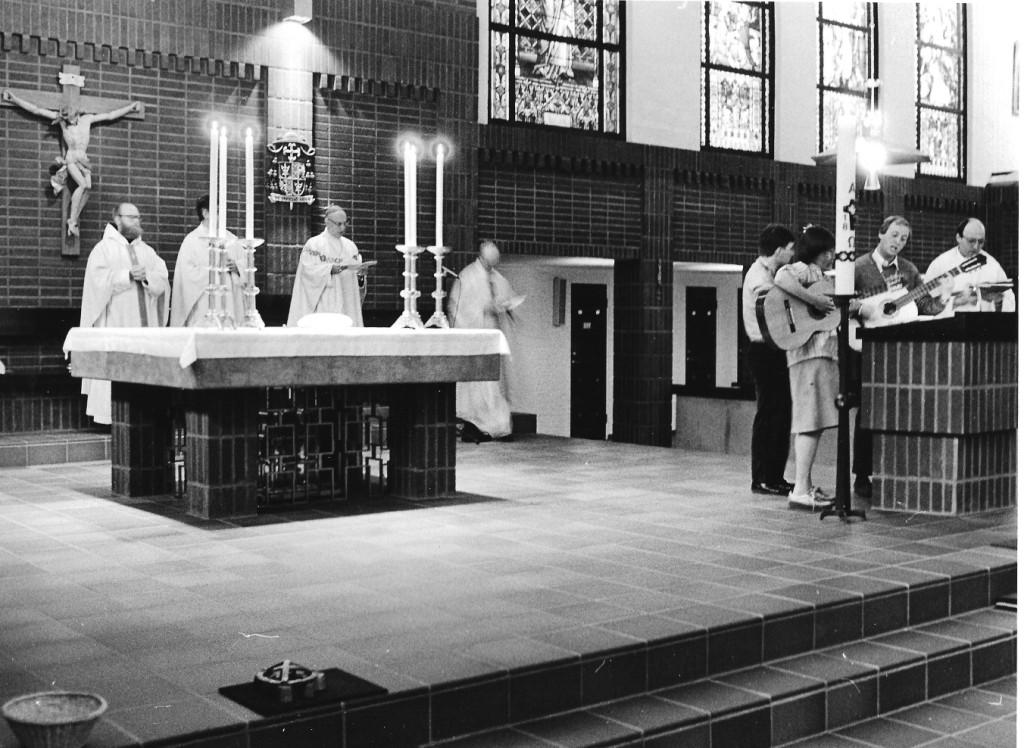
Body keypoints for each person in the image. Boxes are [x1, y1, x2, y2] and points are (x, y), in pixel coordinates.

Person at [850, 216, 948, 499]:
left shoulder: (908, 270)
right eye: (894, 235)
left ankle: (894, 471)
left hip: (901, 350)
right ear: (880, 235)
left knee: (901, 407)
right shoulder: (858, 268)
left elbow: (923, 305)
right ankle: (862, 474)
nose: (898, 242)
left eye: (904, 239)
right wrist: (861, 309)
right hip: (869, 350)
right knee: (868, 411)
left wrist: (945, 299)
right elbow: (841, 303)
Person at [2, 89, 141, 237]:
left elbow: (109, 115)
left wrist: (130, 108)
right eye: (66, 117)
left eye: (71, 116)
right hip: (71, 159)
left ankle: (73, 218)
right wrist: (14, 99)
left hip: (83, 160)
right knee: (82, 185)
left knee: (88, 188)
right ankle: (72, 221)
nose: (69, 120)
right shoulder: (62, 122)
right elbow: (37, 110)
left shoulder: (87, 119)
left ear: (77, 113)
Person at [79, 202, 169, 424]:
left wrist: (147, 277)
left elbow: (163, 281)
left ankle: (144, 417)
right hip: (116, 322)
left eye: (138, 217)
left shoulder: (148, 252)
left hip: (144, 326)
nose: (137, 222)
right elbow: (96, 283)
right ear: (117, 219)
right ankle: (113, 419)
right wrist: (126, 275)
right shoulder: (103, 249)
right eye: (131, 217)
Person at [772, 225, 839, 510]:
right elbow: (781, 276)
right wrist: (815, 301)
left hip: (820, 356)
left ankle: (806, 484)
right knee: (809, 421)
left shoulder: (821, 277)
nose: (831, 256)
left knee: (813, 420)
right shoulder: (801, 269)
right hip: (809, 355)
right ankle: (800, 489)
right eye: (826, 251)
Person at [447, 240, 521, 442]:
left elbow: (508, 298)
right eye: (489, 263)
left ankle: (499, 426)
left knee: (496, 385)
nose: (492, 267)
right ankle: (478, 426)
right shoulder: (467, 277)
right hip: (477, 339)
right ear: (482, 258)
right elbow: (457, 308)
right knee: (479, 388)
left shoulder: (498, 278)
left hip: (493, 337)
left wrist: (505, 306)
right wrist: (484, 309)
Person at [742, 224, 796, 496]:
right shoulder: (759, 278)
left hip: (774, 350)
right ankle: (763, 477)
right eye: (790, 249)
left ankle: (775, 475)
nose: (792, 253)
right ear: (778, 250)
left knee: (781, 414)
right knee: (770, 414)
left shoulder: (770, 273)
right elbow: (778, 306)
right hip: (764, 351)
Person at [170, 195, 247, 327]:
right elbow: (187, 276)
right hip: (204, 304)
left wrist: (237, 268)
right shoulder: (192, 240)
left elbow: (246, 268)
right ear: (205, 213)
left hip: (230, 303)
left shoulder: (232, 239)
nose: (223, 216)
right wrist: (215, 269)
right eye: (218, 211)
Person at [287, 205, 367, 326]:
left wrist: (361, 275)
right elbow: (307, 272)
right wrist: (329, 269)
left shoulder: (351, 247)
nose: (343, 228)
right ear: (327, 222)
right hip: (322, 302)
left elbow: (355, 283)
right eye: (339, 224)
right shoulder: (314, 244)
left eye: (345, 223)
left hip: (344, 303)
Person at [925, 218, 1016, 314]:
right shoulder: (941, 264)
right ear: (958, 238)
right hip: (950, 325)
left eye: (981, 242)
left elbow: (1010, 301)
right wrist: (955, 302)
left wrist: (999, 302)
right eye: (971, 241)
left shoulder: (992, 264)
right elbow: (926, 305)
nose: (976, 247)